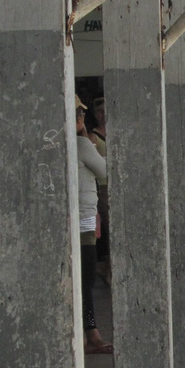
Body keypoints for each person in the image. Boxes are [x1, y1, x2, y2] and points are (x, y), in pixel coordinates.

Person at [76, 95, 112, 354]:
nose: (81, 117)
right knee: (86, 279)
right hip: (84, 220)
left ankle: (88, 332)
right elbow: (105, 171)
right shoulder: (82, 144)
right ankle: (91, 333)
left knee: (81, 279)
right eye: (78, 113)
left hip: (74, 218)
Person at [88, 95, 111, 286]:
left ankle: (108, 268)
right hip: (103, 188)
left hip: (115, 185)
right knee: (110, 229)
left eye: (105, 110)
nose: (103, 115)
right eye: (99, 112)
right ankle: (106, 268)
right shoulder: (93, 136)